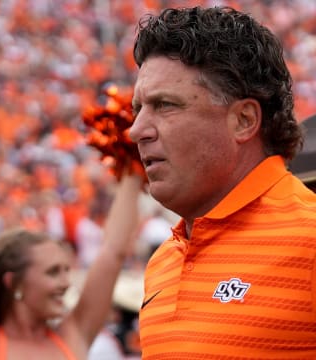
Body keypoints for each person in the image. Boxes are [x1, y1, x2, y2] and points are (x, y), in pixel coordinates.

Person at [129, 5, 316, 359]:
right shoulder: (163, 262)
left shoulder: (310, 240)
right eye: (137, 109)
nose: (137, 129)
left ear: (244, 120)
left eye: (165, 105)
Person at [0, 172, 142, 360]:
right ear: (13, 283)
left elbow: (113, 252)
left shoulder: (73, 337)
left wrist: (131, 168)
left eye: (66, 270)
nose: (66, 283)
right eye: (53, 272)